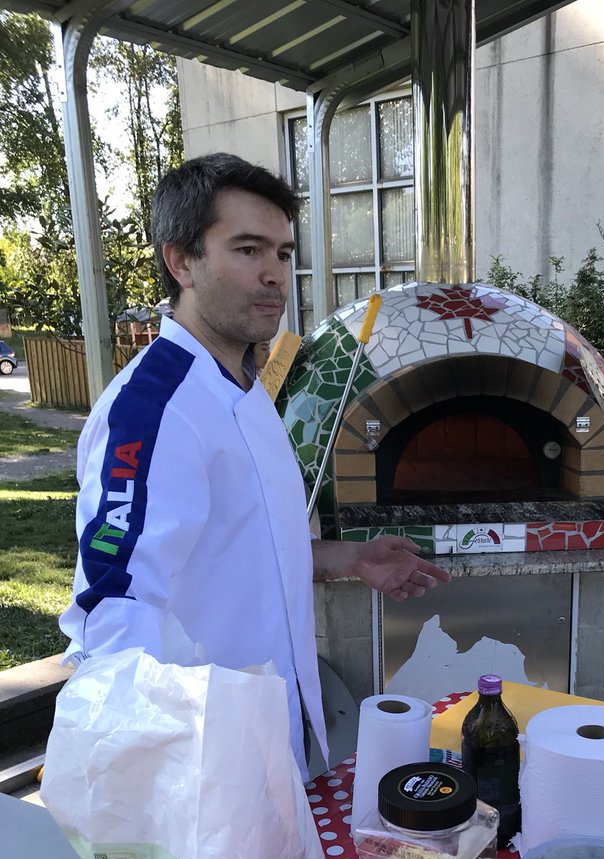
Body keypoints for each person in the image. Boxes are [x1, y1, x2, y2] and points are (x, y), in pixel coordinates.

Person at [59, 153, 450, 774]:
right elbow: (115, 606)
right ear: (181, 261)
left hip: (274, 736)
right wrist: (164, 780)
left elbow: (247, 543)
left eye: (284, 253)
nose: (275, 275)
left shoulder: (241, 383)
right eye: (248, 250)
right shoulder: (154, 410)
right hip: (202, 763)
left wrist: (350, 558)